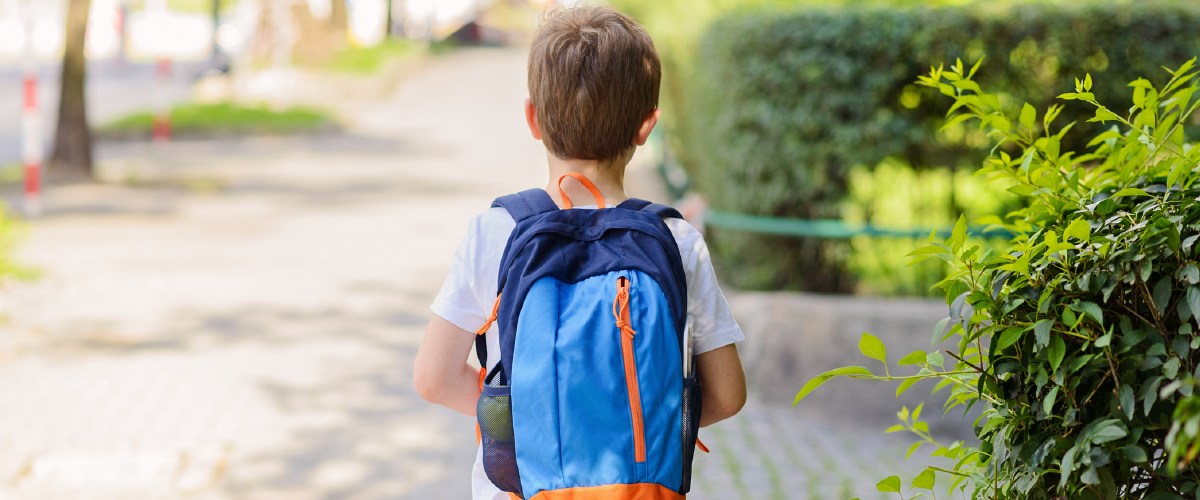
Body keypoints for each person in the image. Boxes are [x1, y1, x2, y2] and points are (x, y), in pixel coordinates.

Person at [412, 6, 747, 499]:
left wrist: (529, 419)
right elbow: (726, 395)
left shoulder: (496, 232)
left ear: (533, 119)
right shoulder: (676, 242)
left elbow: (434, 379)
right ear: (647, 126)